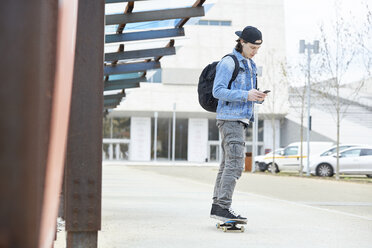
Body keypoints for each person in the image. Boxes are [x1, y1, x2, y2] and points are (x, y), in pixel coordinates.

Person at [210, 26, 267, 222]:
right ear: (241, 42)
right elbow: (217, 91)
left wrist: (256, 97)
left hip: (240, 119)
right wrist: (246, 95)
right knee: (235, 165)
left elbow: (247, 93)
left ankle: (218, 205)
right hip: (229, 118)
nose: (255, 51)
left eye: (258, 48)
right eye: (252, 47)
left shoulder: (250, 65)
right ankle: (223, 207)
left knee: (227, 164)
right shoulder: (228, 62)